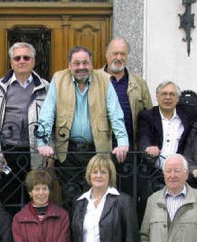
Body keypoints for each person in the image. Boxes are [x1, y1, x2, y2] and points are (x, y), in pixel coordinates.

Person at [37, 46, 129, 205]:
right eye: (77, 63)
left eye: (85, 63)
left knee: (96, 197)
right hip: (68, 151)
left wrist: (122, 142)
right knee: (71, 198)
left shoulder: (104, 80)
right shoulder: (59, 79)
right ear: (70, 65)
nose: (81, 67)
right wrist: (43, 143)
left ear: (91, 64)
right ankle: (74, 230)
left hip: (96, 150)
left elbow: (116, 114)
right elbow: (47, 113)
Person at [0, 42, 50, 214]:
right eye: (17, 58)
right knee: (9, 199)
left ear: (33, 61)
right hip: (7, 153)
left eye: (26, 57)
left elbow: (52, 120)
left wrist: (52, 152)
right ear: (11, 62)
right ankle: (12, 239)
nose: (22, 61)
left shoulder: (45, 87)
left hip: (35, 153)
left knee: (36, 196)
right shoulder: (0, 87)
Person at [137, 81, 197, 217]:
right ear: (157, 97)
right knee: (153, 214)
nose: (168, 97)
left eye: (172, 94)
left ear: (178, 98)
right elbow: (143, 136)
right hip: (153, 173)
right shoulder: (147, 116)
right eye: (164, 94)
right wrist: (147, 148)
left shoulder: (188, 114)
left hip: (178, 175)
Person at [101, 38, 152, 149]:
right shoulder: (94, 80)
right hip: (100, 150)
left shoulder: (139, 83)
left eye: (123, 54)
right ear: (107, 55)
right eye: (115, 53)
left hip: (130, 150)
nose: (119, 58)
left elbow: (149, 116)